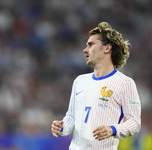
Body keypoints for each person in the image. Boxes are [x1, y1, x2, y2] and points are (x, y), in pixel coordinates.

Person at [51, 22, 141, 150]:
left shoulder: (125, 83)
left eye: (90, 45)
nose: (85, 49)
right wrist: (62, 127)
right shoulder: (79, 81)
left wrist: (113, 129)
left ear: (107, 48)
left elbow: (135, 122)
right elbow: (71, 117)